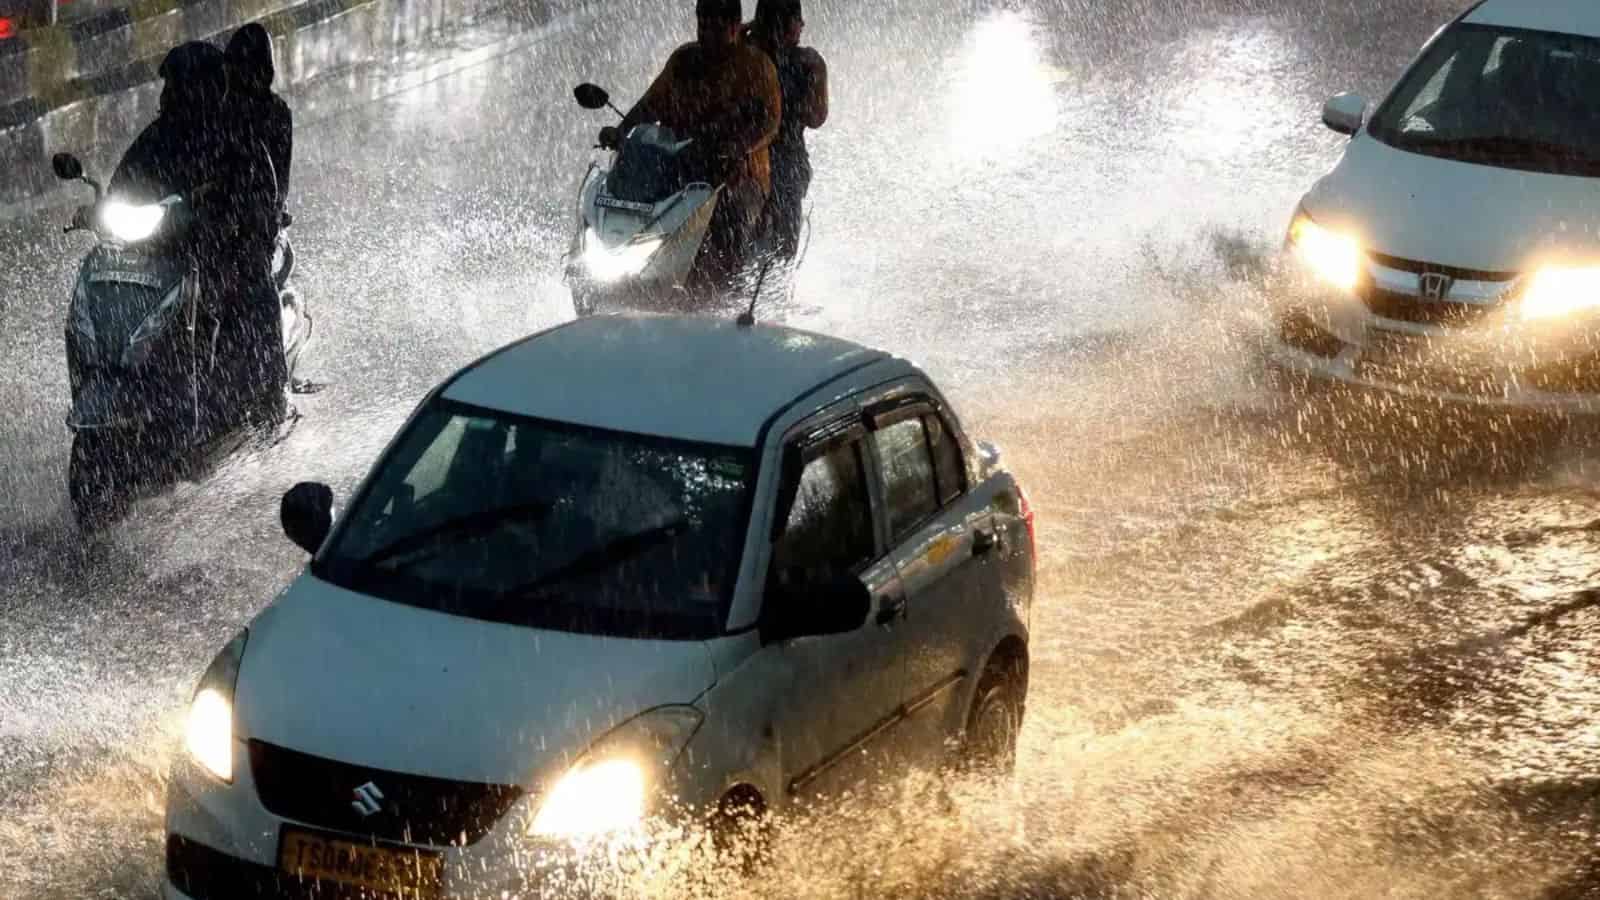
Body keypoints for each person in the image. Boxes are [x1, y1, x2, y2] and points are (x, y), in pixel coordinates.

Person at [613, 0, 782, 289]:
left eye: (716, 29)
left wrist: (737, 150)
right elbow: (651, 103)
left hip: (738, 175)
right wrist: (620, 131)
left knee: (728, 222)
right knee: (633, 204)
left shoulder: (755, 66)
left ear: (734, 27)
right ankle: (629, 270)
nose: (707, 36)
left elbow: (769, 121)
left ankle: (723, 293)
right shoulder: (685, 60)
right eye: (703, 26)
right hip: (682, 165)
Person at [745, 0, 827, 261]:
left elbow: (816, 118)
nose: (779, 36)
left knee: (783, 227)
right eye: (773, 28)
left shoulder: (806, 62)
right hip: (742, 156)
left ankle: (779, 271)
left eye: (785, 28)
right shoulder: (744, 54)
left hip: (786, 158)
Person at [224, 24, 293, 224]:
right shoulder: (221, 105)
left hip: (258, 212)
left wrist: (273, 209)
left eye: (237, 67)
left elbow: (280, 171)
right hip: (224, 204)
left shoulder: (276, 111)